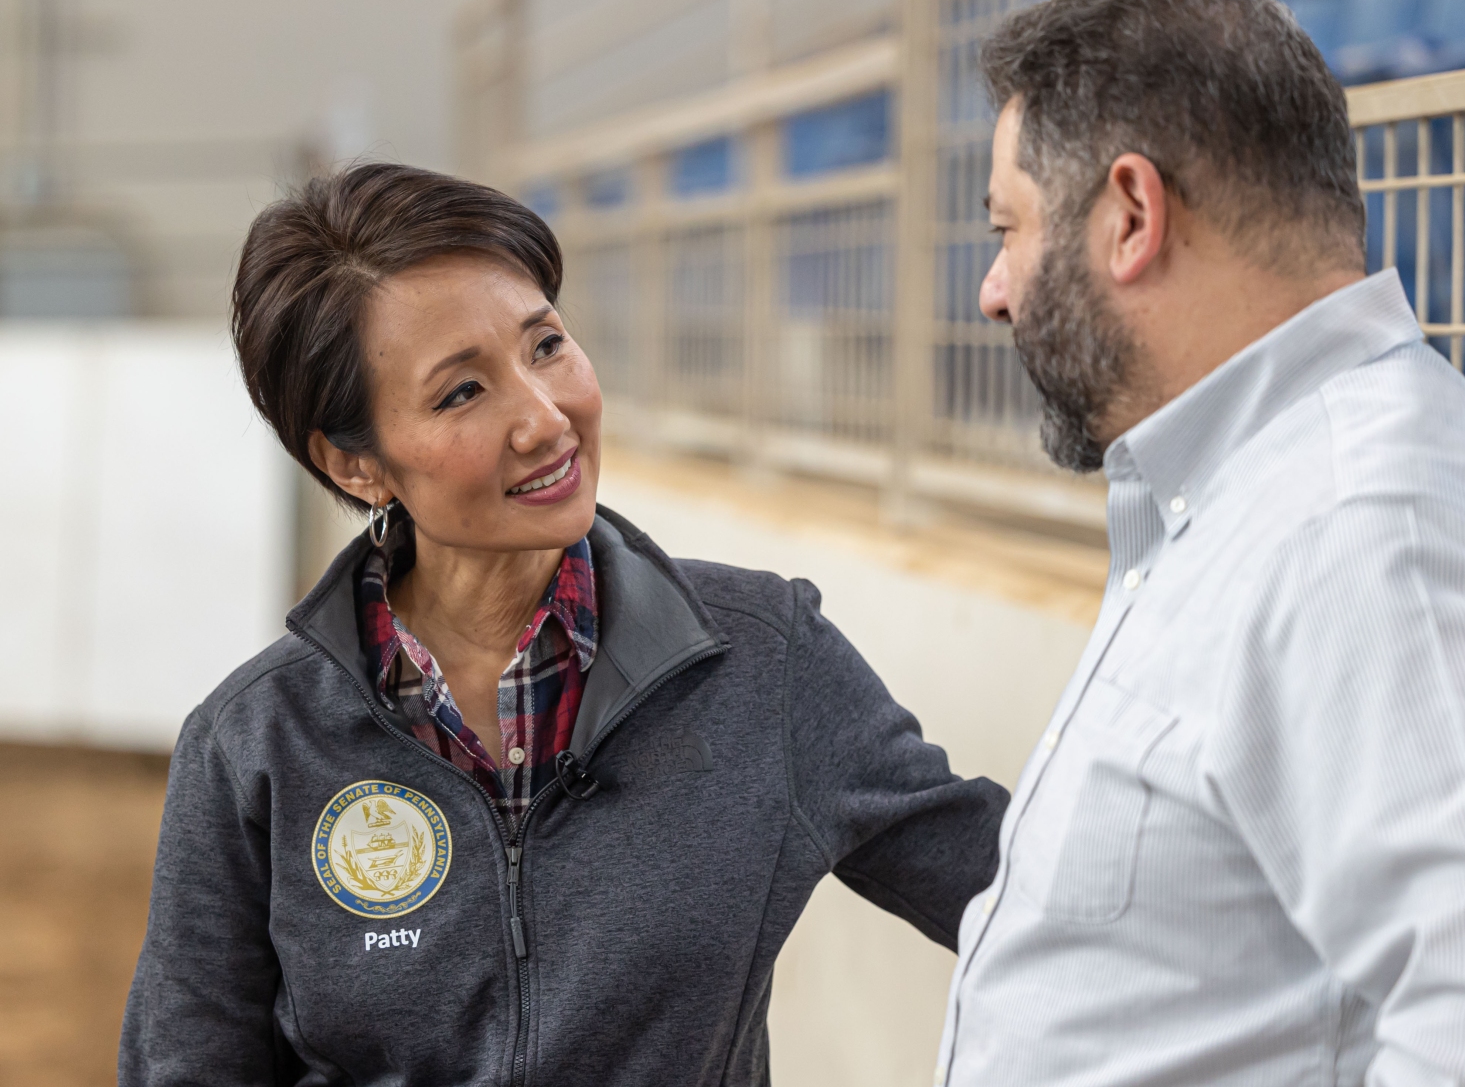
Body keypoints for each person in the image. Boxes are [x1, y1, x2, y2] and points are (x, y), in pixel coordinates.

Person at [933, 0, 1465, 1085]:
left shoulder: (1373, 529)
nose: (994, 290)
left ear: (1131, 216)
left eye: (1010, 229)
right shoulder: (1274, 497)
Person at [119, 163, 1007, 1086]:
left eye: (545, 345)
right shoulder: (253, 744)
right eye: (462, 392)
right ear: (356, 466)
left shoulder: (766, 660)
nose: (546, 419)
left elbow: (1035, 910)